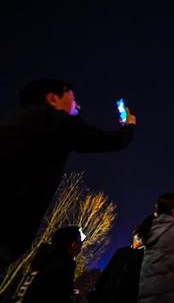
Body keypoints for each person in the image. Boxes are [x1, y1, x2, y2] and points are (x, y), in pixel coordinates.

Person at [0, 79, 137, 265]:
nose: (78, 106)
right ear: (53, 99)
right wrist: (129, 126)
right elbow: (109, 140)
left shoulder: (17, 122)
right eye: (72, 99)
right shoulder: (56, 121)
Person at [10, 225, 83, 303]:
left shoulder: (42, 260)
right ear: (73, 245)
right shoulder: (66, 265)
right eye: (80, 241)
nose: (81, 244)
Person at [88, 220, 150, 303]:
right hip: (105, 298)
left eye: (143, 234)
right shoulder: (121, 252)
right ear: (134, 233)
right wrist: (96, 292)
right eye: (138, 232)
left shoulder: (146, 258)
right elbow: (107, 273)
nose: (139, 236)